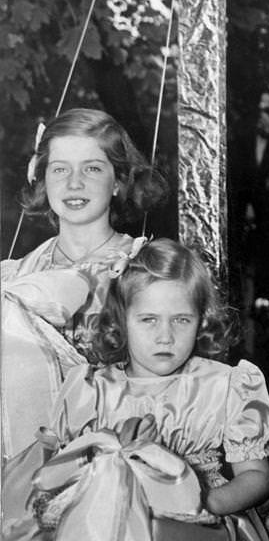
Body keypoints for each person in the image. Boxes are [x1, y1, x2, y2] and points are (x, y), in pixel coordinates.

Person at [2, 239, 269, 541]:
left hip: (191, 522)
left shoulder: (225, 384)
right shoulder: (91, 388)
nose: (165, 336)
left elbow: (255, 477)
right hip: (99, 515)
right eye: (148, 320)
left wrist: (205, 503)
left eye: (181, 320)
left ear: (202, 321)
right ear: (120, 321)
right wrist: (107, 452)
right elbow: (58, 471)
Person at [1, 108, 169, 457]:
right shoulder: (15, 277)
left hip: (120, 458)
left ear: (119, 182)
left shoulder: (145, 269)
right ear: (41, 179)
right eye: (60, 169)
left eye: (92, 168)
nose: (74, 183)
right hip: (20, 461)